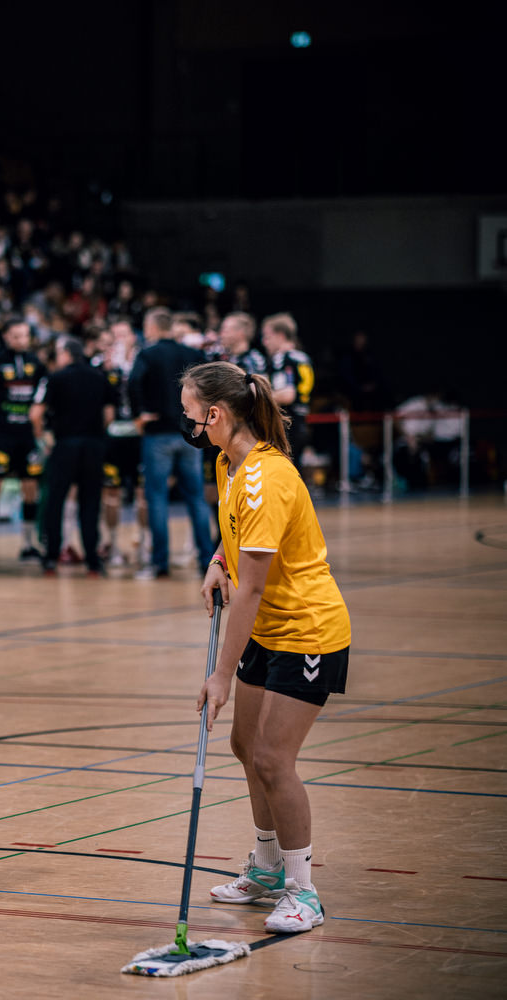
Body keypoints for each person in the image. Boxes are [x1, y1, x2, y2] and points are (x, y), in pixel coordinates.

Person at [184, 361, 350, 935]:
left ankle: (304, 892)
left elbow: (251, 589)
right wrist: (217, 558)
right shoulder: (227, 464)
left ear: (216, 414)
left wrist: (220, 675)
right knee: (245, 746)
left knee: (274, 760)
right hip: (268, 630)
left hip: (307, 631)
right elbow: (238, 535)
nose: (188, 424)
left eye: (190, 414)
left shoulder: (266, 478)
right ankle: (267, 868)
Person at [130, 307, 215, 579]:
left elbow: (133, 382)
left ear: (153, 327)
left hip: (157, 434)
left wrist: (139, 414)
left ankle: (159, 563)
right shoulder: (191, 354)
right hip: (190, 434)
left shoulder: (147, 354)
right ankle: (206, 560)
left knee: (157, 499)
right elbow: (209, 383)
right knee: (196, 498)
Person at [30, 337, 114, 576]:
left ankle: (51, 558)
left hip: (65, 445)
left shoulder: (55, 378)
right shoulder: (100, 377)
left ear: (66, 354)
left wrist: (43, 439)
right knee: (90, 502)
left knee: (55, 501)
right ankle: (92, 561)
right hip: (93, 446)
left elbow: (35, 414)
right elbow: (109, 414)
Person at [0, 317, 48, 565]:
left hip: (27, 435)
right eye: (16, 335)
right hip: (1, 434)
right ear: (6, 336)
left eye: (25, 335)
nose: (21, 340)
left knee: (31, 487)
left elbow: (42, 398)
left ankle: (28, 544)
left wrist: (43, 429)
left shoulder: (36, 363)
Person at [262, 314, 314, 470]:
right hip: (302, 420)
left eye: (268, 337)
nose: (264, 342)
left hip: (285, 423)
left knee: (282, 472)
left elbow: (287, 394)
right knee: (295, 471)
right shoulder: (302, 357)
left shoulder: (281, 358)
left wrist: (258, 397)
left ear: (280, 336)